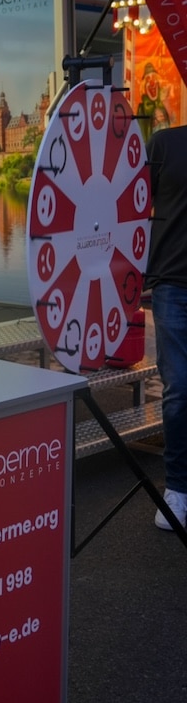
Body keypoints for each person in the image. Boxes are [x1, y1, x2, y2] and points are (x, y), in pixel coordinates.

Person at [146, 125, 187, 529]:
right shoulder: (165, 142)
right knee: (179, 391)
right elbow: (133, 207)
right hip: (173, 285)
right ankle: (178, 489)